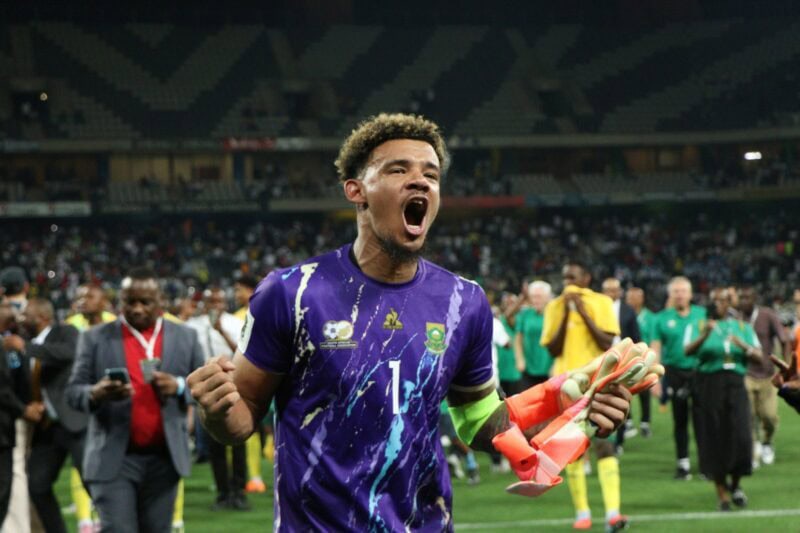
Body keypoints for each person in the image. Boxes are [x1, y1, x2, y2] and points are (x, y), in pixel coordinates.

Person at [188, 113, 632, 531]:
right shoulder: (293, 292)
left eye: (431, 174)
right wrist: (218, 409)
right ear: (356, 189)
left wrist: (578, 411)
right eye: (398, 170)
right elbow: (242, 415)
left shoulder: (464, 301)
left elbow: (478, 420)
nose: (420, 179)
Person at [66, 267, 204, 533]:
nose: (137, 308)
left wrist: (177, 386)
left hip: (164, 460)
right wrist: (96, 393)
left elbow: (202, 388)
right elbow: (73, 392)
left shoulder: (186, 336)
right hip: (114, 458)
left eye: (145, 302)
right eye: (130, 302)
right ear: (120, 302)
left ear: (161, 301)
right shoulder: (94, 338)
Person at [541, 262, 625, 531]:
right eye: (564, 277)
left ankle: (613, 512)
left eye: (573, 277)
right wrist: (566, 313)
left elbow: (606, 342)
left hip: (599, 383)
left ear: (586, 278)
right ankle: (582, 513)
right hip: (565, 386)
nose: (568, 282)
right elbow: (553, 349)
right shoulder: (555, 306)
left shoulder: (601, 303)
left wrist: (584, 313)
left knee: (605, 445)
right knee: (573, 450)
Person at [684, 288, 761, 511]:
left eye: (723, 300)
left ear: (730, 303)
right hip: (709, 383)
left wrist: (742, 345)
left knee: (742, 436)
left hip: (736, 383)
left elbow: (759, 356)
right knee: (714, 435)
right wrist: (705, 335)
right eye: (714, 300)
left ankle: (736, 484)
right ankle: (722, 493)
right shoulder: (698, 325)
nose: (718, 303)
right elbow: (687, 351)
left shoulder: (742, 327)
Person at [19, 298, 86, 533]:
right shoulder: (22, 342)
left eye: (25, 314)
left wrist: (26, 348)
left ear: (42, 317)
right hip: (47, 427)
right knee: (37, 484)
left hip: (77, 422)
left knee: (95, 485)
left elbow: (67, 354)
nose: (21, 318)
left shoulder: (65, 332)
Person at [187, 287, 249, 510]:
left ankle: (240, 492)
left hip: (236, 387)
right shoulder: (193, 327)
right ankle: (223, 493)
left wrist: (221, 331)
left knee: (239, 440)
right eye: (210, 301)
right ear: (202, 303)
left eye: (218, 300)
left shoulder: (235, 323)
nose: (214, 305)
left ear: (225, 303)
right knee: (216, 444)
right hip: (208, 392)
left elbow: (245, 353)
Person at [65, 284, 114, 533]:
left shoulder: (116, 324)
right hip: (82, 401)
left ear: (104, 301)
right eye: (80, 295)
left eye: (90, 296)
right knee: (80, 461)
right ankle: (85, 520)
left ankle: (106, 514)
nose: (83, 300)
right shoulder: (70, 325)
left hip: (112, 404)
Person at [651, 276, 706, 480]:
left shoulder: (702, 314)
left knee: (702, 419)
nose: (680, 295)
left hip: (700, 372)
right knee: (680, 419)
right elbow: (655, 348)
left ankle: (705, 463)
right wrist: (655, 377)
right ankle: (683, 463)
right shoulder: (662, 318)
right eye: (676, 291)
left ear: (691, 294)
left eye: (683, 291)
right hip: (674, 372)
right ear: (670, 295)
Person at [736, 286, 791, 468]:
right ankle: (753, 448)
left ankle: (767, 441)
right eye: (741, 298)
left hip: (767, 374)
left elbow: (783, 339)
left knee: (769, 416)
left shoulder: (767, 315)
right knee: (748, 415)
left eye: (747, 298)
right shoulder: (736, 319)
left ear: (755, 299)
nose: (743, 301)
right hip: (745, 374)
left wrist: (787, 366)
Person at [232, 275, 268, 495]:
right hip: (241, 377)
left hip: (264, 378)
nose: (236, 295)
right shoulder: (235, 317)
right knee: (247, 429)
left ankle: (256, 476)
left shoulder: (264, 311)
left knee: (261, 428)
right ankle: (249, 476)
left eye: (239, 290)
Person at [601, 278, 642, 450]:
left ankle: (619, 440)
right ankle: (603, 437)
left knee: (620, 398)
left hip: (623, 360)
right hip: (601, 360)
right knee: (602, 399)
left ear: (620, 291)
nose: (612, 293)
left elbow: (636, 336)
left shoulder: (628, 311)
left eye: (615, 289)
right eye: (608, 289)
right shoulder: (598, 309)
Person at [625, 287, 657, 430]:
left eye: (634, 297)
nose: (630, 300)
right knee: (624, 389)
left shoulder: (650, 318)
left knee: (645, 390)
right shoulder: (624, 315)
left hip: (645, 359)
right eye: (629, 297)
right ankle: (628, 419)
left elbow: (653, 340)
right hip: (626, 360)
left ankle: (645, 421)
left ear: (642, 299)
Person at [514, 281, 554, 390]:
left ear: (548, 297)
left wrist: (556, 364)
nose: (536, 300)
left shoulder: (555, 314)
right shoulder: (525, 314)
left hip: (550, 368)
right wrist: (519, 359)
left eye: (539, 297)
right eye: (533, 297)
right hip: (528, 368)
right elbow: (518, 338)